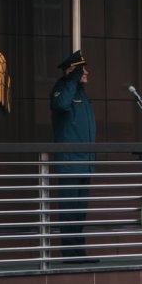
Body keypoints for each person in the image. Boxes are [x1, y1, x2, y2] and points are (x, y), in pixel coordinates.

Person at [50, 50, 96, 261]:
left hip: (85, 163)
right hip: (69, 163)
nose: (86, 73)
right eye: (81, 70)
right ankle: (69, 253)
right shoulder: (61, 89)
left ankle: (79, 250)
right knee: (69, 210)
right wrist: (71, 80)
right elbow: (61, 105)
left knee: (79, 212)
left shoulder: (81, 94)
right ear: (72, 71)